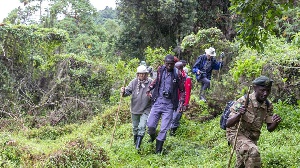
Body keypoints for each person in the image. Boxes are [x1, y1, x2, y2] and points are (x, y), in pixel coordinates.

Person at [226, 76, 282, 167]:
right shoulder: (243, 101)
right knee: (253, 153)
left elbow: (270, 128)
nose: (265, 93)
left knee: (242, 164)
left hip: (252, 138)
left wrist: (275, 122)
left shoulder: (268, 105)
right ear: (255, 88)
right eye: (262, 90)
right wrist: (239, 114)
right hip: (236, 134)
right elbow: (228, 123)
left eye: (268, 90)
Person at [146, 54, 185, 154]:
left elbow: (182, 89)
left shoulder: (178, 74)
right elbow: (156, 81)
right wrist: (149, 88)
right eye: (167, 64)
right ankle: (152, 136)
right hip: (158, 101)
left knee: (164, 128)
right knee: (150, 125)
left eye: (171, 64)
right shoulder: (161, 70)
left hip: (169, 105)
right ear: (164, 63)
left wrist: (181, 103)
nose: (169, 66)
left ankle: (158, 151)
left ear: (174, 64)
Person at [121, 65, 153, 150]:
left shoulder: (150, 82)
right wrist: (123, 91)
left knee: (142, 126)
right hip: (135, 108)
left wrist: (152, 96)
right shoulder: (134, 82)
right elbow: (127, 92)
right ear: (137, 74)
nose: (142, 76)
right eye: (140, 74)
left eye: (143, 74)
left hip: (147, 108)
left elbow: (155, 94)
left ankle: (137, 146)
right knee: (135, 127)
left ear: (146, 74)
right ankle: (135, 142)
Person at [170, 61, 192, 136]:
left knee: (176, 116)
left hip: (181, 100)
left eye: (177, 69)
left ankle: (173, 133)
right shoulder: (173, 76)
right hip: (172, 99)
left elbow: (187, 92)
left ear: (181, 69)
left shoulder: (186, 78)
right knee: (171, 116)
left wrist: (185, 104)